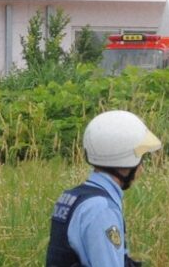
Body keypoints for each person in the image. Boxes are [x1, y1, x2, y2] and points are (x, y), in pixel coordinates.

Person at [46, 110, 162, 267]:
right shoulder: (101, 210)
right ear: (127, 161)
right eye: (141, 160)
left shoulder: (72, 197)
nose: (142, 168)